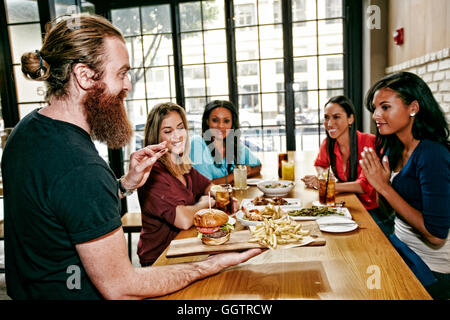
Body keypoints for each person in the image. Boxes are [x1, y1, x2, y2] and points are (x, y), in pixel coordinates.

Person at [1, 13, 261, 300]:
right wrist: (208, 266)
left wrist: (123, 184)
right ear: (84, 76)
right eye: (122, 73)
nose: (128, 85)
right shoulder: (81, 167)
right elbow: (122, 288)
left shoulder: (25, 130)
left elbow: (60, 207)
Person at [360, 71, 449, 299]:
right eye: (375, 108)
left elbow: (436, 235)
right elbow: (391, 212)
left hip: (429, 268)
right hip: (399, 245)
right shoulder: (394, 147)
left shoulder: (432, 155)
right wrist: (382, 187)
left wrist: (384, 187)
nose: (376, 115)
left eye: (385, 107)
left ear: (413, 108)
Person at [137, 102, 236, 266]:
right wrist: (204, 205)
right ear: (156, 137)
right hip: (161, 259)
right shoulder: (153, 172)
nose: (178, 136)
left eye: (180, 127)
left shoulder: (182, 165)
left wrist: (223, 196)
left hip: (185, 247)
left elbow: (208, 186)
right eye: (168, 131)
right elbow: (182, 219)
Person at [301, 96, 392, 235]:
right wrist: (324, 174)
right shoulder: (328, 143)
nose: (329, 123)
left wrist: (326, 185)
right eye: (326, 117)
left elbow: (363, 185)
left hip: (370, 211)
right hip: (347, 205)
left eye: (336, 117)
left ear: (350, 119)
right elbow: (320, 164)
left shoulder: (369, 142)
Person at [190, 100, 261, 184]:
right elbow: (205, 185)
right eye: (215, 120)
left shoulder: (236, 146)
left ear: (232, 123)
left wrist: (242, 173)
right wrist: (236, 175)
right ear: (207, 121)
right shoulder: (197, 143)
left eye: (226, 121)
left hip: (235, 196)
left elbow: (257, 166)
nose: (221, 126)